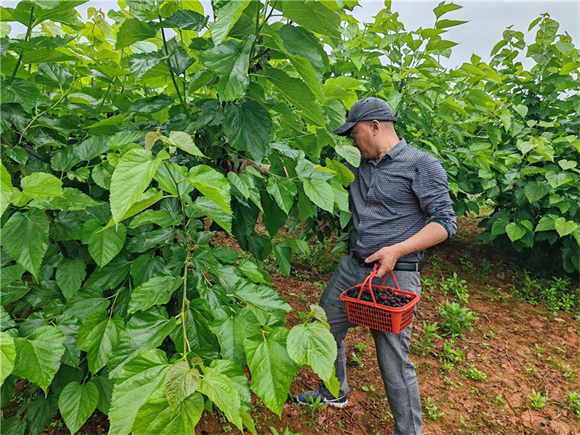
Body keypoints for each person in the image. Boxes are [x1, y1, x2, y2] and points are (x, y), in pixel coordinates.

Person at [297, 97, 457, 435]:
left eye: (355, 133)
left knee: (393, 360)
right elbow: (309, 177)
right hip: (352, 269)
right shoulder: (358, 164)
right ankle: (333, 391)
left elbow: (444, 223)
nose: (352, 142)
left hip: (394, 276)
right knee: (325, 328)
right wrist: (255, 167)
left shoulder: (422, 165)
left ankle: (408, 431)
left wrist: (397, 250)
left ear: (374, 127)